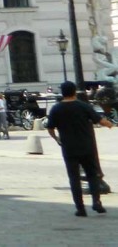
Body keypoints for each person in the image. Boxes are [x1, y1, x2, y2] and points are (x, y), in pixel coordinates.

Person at [46, 80, 113, 216]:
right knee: (92, 175)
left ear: (62, 93)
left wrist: (57, 139)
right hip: (87, 146)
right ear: (74, 91)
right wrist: (109, 124)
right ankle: (96, 202)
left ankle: (80, 208)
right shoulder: (83, 106)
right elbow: (99, 120)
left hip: (69, 148)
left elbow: (50, 127)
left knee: (74, 178)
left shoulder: (56, 108)